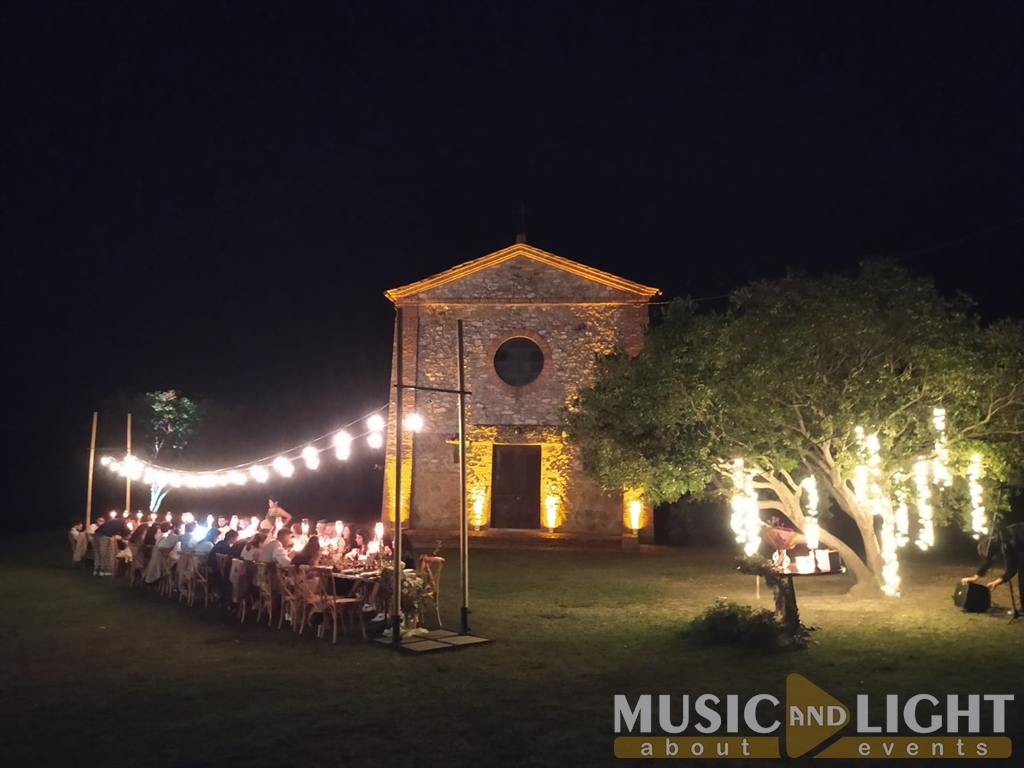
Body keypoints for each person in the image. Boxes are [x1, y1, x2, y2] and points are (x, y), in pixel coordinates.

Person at [962, 521, 1024, 598]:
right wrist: (995, 583)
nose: (994, 559)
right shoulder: (1005, 546)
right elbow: (1011, 570)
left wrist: (975, 577)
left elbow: (988, 558)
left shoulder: (1004, 541)